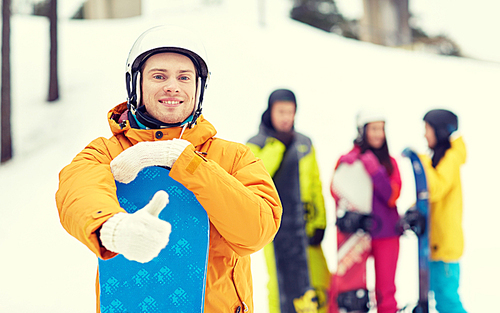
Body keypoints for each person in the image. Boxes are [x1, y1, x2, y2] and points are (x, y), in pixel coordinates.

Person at [55, 25, 282, 313]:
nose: (172, 86)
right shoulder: (106, 152)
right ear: (136, 84)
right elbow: (78, 190)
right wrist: (112, 228)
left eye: (184, 77)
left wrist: (184, 160)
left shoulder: (233, 157)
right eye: (158, 76)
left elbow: (256, 232)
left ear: (198, 88)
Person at [247, 89, 330, 313]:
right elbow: (256, 176)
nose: (286, 117)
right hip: (274, 228)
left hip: (304, 225)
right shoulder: (257, 143)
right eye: (281, 111)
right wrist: (277, 147)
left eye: (290, 112)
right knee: (279, 283)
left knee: (315, 281)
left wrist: (320, 221)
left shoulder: (304, 143)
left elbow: (315, 183)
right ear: (270, 111)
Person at [329, 110, 402, 313]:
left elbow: (392, 196)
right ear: (363, 131)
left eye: (381, 129)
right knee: (348, 289)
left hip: (386, 234)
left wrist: (375, 171)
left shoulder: (391, 164)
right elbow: (335, 190)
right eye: (374, 129)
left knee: (385, 292)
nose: (379, 134)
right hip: (357, 234)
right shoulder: (348, 161)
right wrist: (351, 164)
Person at [420, 109, 467, 313]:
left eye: (427, 129)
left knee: (447, 301)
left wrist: (420, 162)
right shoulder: (441, 157)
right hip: (437, 242)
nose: (424, 134)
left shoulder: (450, 159)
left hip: (445, 245)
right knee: (441, 299)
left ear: (439, 131)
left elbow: (436, 189)